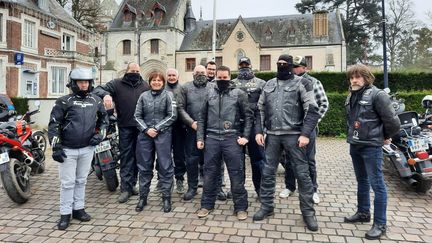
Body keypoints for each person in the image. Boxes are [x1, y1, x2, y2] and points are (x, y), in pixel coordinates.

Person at [253, 54, 321, 232]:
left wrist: (305, 133)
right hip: (272, 136)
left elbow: (313, 110)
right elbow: (259, 109)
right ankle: (267, 206)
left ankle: (308, 213)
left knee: (302, 174)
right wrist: (259, 131)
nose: (281, 66)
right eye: (279, 64)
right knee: (267, 172)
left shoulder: (302, 83)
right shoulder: (268, 84)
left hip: (294, 135)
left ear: (291, 66)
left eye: (285, 64)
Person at [344, 64, 400, 240]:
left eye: (358, 76)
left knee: (378, 185)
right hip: (355, 144)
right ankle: (363, 213)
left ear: (366, 78)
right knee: (362, 181)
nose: (354, 80)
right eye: (352, 77)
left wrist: (385, 135)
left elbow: (393, 121)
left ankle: (380, 224)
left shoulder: (378, 95)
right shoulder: (351, 95)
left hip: (371, 147)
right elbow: (351, 119)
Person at [48, 68, 108, 230]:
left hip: (87, 148)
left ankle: (78, 209)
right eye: (80, 82)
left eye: (86, 82)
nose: (84, 85)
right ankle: (65, 214)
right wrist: (56, 147)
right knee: (68, 183)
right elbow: (54, 124)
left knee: (81, 180)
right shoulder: (63, 101)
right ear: (73, 83)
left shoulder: (96, 100)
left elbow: (104, 120)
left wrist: (100, 135)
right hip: (68, 149)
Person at [196, 65, 252, 220]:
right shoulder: (209, 94)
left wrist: (246, 136)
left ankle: (240, 207)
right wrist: (200, 138)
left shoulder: (239, 94)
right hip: (212, 138)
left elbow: (248, 116)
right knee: (209, 174)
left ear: (229, 77)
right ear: (216, 78)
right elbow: (201, 118)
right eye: (219, 78)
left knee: (236, 173)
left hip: (231, 138)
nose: (222, 80)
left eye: (224, 78)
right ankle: (206, 205)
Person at [93, 63, 150, 203]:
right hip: (125, 126)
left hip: (142, 127)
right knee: (126, 157)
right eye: (132, 70)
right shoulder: (117, 84)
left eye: (137, 71)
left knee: (138, 157)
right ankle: (125, 188)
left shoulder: (145, 85)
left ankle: (133, 184)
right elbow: (97, 89)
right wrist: (106, 94)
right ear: (127, 71)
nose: (135, 73)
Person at [279, 56, 329, 204]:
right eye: (292, 66)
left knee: (309, 160)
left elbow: (323, 104)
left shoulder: (314, 82)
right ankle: (290, 186)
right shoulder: (287, 82)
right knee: (288, 160)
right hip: (290, 129)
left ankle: (313, 190)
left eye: (297, 66)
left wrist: (311, 123)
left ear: (305, 68)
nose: (294, 69)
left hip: (307, 130)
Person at [134, 71, 177, 213]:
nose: (156, 82)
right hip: (145, 136)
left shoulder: (168, 96)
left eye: (159, 80)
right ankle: (143, 197)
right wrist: (146, 129)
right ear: (150, 82)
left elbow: (172, 115)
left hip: (163, 135)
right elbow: (137, 116)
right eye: (154, 80)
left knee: (165, 166)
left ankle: (166, 197)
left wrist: (157, 128)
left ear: (163, 82)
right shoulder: (143, 96)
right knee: (144, 166)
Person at [232, 57, 266, 197]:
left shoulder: (261, 83)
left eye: (247, 64)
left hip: (254, 126)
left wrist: (261, 129)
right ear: (238, 66)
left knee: (258, 160)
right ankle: (238, 190)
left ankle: (260, 189)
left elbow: (264, 107)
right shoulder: (231, 83)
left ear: (251, 65)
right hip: (236, 127)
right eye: (242, 64)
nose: (244, 66)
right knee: (237, 161)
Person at [177, 65, 212, 201]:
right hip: (192, 130)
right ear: (193, 74)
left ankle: (214, 187)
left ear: (207, 73)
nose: (200, 74)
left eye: (202, 72)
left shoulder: (213, 87)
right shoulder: (185, 88)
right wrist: (191, 122)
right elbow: (180, 107)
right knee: (191, 160)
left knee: (212, 160)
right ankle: (192, 187)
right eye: (197, 72)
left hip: (210, 130)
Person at [165, 68, 187, 194]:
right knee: (164, 155)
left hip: (179, 127)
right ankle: (162, 179)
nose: (172, 77)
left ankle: (179, 179)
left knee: (179, 156)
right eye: (169, 75)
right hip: (165, 128)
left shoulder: (183, 89)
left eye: (174, 75)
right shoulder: (162, 89)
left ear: (178, 77)